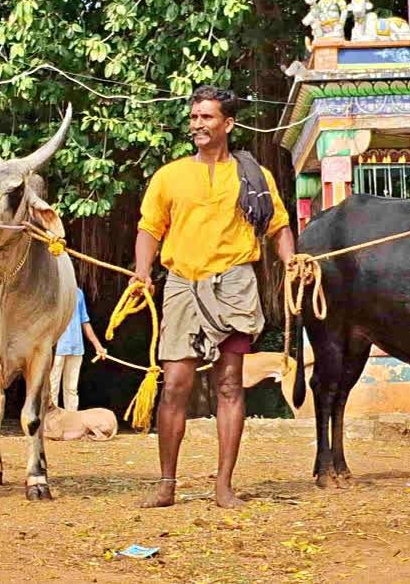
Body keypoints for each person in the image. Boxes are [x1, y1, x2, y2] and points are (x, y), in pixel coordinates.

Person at [133, 85, 295, 509]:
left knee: (229, 384)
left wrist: (291, 261)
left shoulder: (254, 176)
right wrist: (142, 271)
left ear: (228, 123)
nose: (198, 125)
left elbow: (278, 225)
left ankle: (224, 486)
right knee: (175, 385)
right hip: (182, 284)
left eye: (206, 117)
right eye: (194, 117)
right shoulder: (169, 176)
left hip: (235, 285)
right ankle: (166, 485)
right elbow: (150, 227)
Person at [50, 285, 106, 411]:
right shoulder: (53, 290)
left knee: (72, 389)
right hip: (57, 348)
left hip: (76, 347)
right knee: (52, 387)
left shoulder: (78, 293)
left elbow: (84, 321)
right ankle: (50, 419)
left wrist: (98, 345)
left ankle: (72, 418)